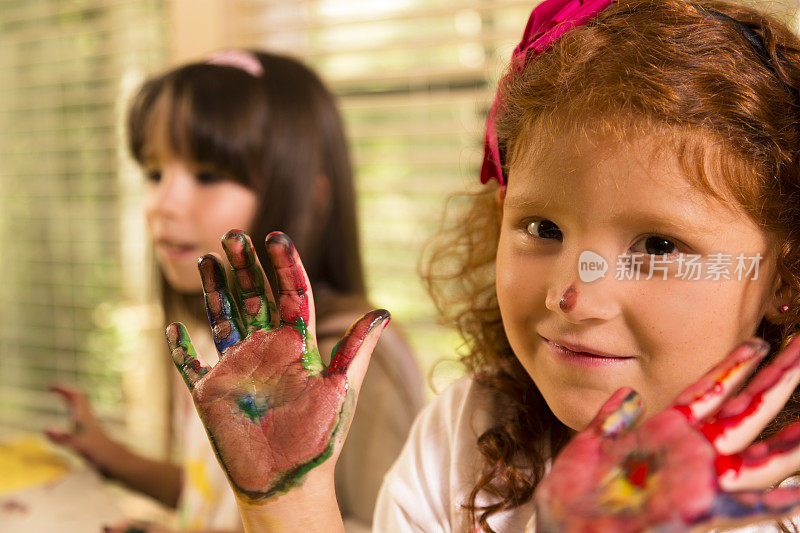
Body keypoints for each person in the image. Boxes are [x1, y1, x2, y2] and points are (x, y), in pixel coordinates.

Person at [158, 0, 800, 531]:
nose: (573, 296)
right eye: (543, 228)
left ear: (784, 278)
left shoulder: (775, 502)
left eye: (658, 247)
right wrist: (288, 503)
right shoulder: (470, 428)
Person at [44, 50, 424, 533]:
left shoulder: (351, 360)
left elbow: (384, 524)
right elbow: (223, 497)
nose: (163, 203)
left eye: (207, 175)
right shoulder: (219, 343)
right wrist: (112, 458)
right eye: (154, 172)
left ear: (309, 194)